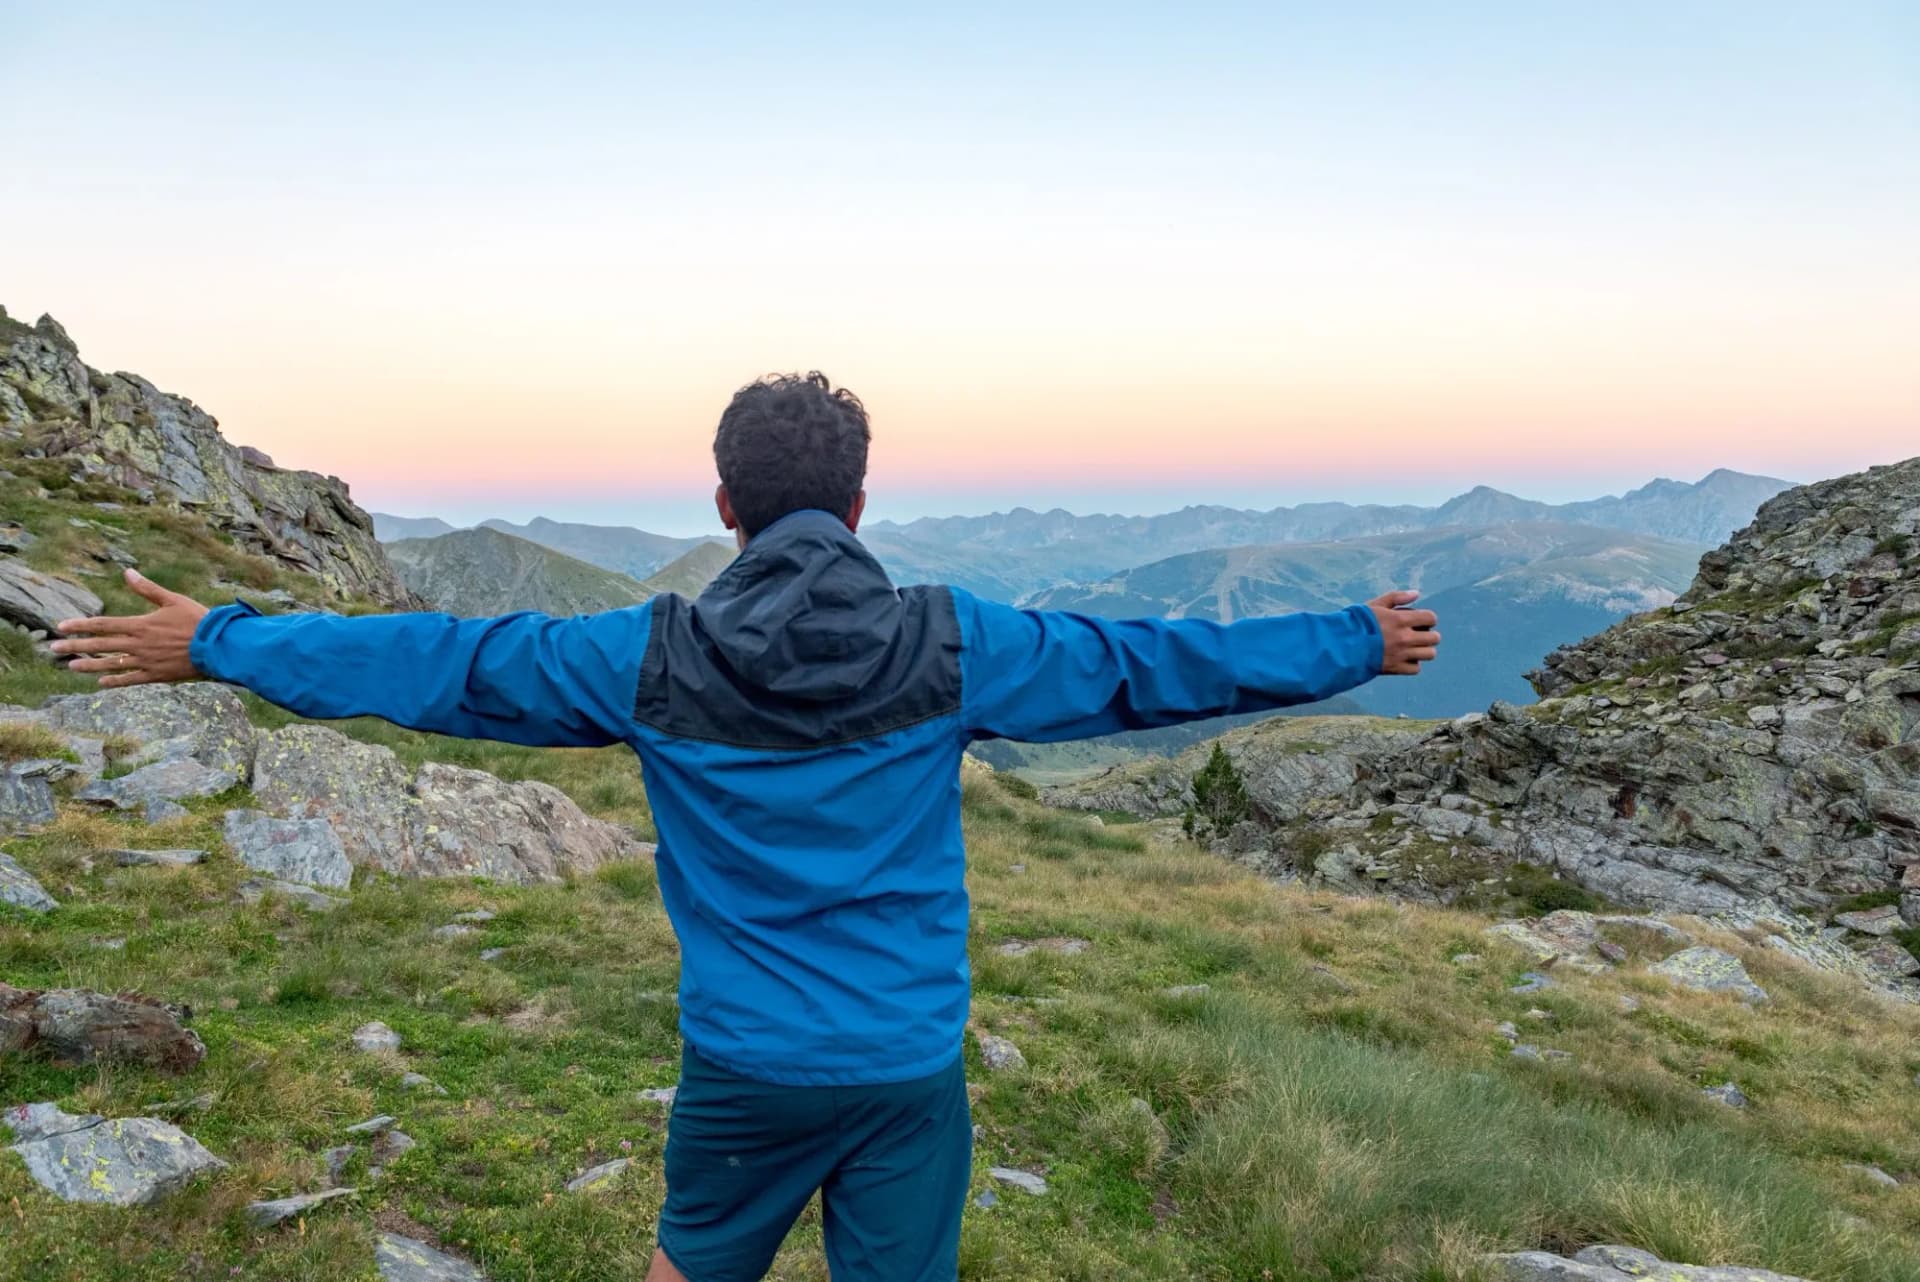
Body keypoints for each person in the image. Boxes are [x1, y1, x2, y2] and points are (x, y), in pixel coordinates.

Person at [53, 372, 1439, 1282]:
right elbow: (1152, 665)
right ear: (858, 502)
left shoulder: (648, 658)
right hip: (906, 1060)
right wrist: (1354, 640)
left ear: (725, 507)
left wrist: (220, 640)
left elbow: (443, 660)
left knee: (692, 1262)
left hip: (748, 1061)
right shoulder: (959, 643)